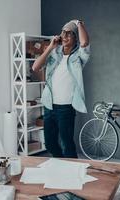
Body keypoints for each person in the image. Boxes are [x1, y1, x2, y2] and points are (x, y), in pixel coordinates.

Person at [32, 19, 90, 158]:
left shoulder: (78, 56)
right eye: (63, 32)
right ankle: (61, 166)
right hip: (49, 106)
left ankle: (72, 173)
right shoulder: (54, 53)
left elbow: (84, 43)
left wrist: (78, 23)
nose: (65, 36)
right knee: (50, 144)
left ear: (75, 38)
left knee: (67, 144)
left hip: (66, 108)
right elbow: (35, 67)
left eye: (69, 33)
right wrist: (50, 47)